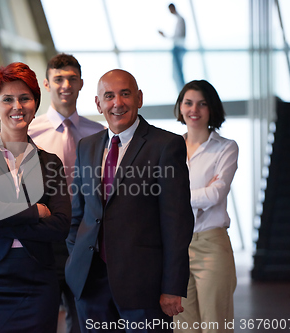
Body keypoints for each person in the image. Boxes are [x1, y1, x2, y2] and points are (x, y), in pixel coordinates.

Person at [65, 69, 194, 332]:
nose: (117, 103)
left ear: (139, 98)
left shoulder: (166, 145)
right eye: (109, 96)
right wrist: (74, 260)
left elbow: (177, 224)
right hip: (90, 283)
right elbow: (78, 213)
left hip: (144, 287)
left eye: (125, 94)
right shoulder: (86, 146)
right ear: (98, 104)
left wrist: (172, 287)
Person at [0, 62, 71, 333]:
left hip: (37, 281)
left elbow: (61, 225)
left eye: (25, 98)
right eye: (7, 99)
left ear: (35, 104)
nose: (17, 106)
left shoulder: (50, 162)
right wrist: (36, 212)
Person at [28, 53, 104, 333]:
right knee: (42, 313)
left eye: (72, 78)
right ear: (47, 85)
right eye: (58, 79)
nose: (66, 85)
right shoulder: (29, 133)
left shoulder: (98, 133)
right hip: (44, 231)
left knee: (82, 313)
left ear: (81, 83)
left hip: (86, 234)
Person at [172, 80, 238, 333]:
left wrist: (176, 196)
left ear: (212, 109)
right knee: (182, 326)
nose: (194, 109)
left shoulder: (226, 148)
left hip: (211, 244)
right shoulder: (170, 148)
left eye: (202, 103)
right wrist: (198, 194)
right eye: (188, 103)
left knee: (215, 326)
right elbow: (158, 195)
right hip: (177, 246)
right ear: (180, 107)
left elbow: (216, 194)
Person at [159, 3, 186, 91]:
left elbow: (179, 36)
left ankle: (182, 93)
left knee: (177, 74)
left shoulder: (180, 20)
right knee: (176, 74)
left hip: (178, 48)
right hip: (178, 48)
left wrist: (165, 36)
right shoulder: (179, 19)